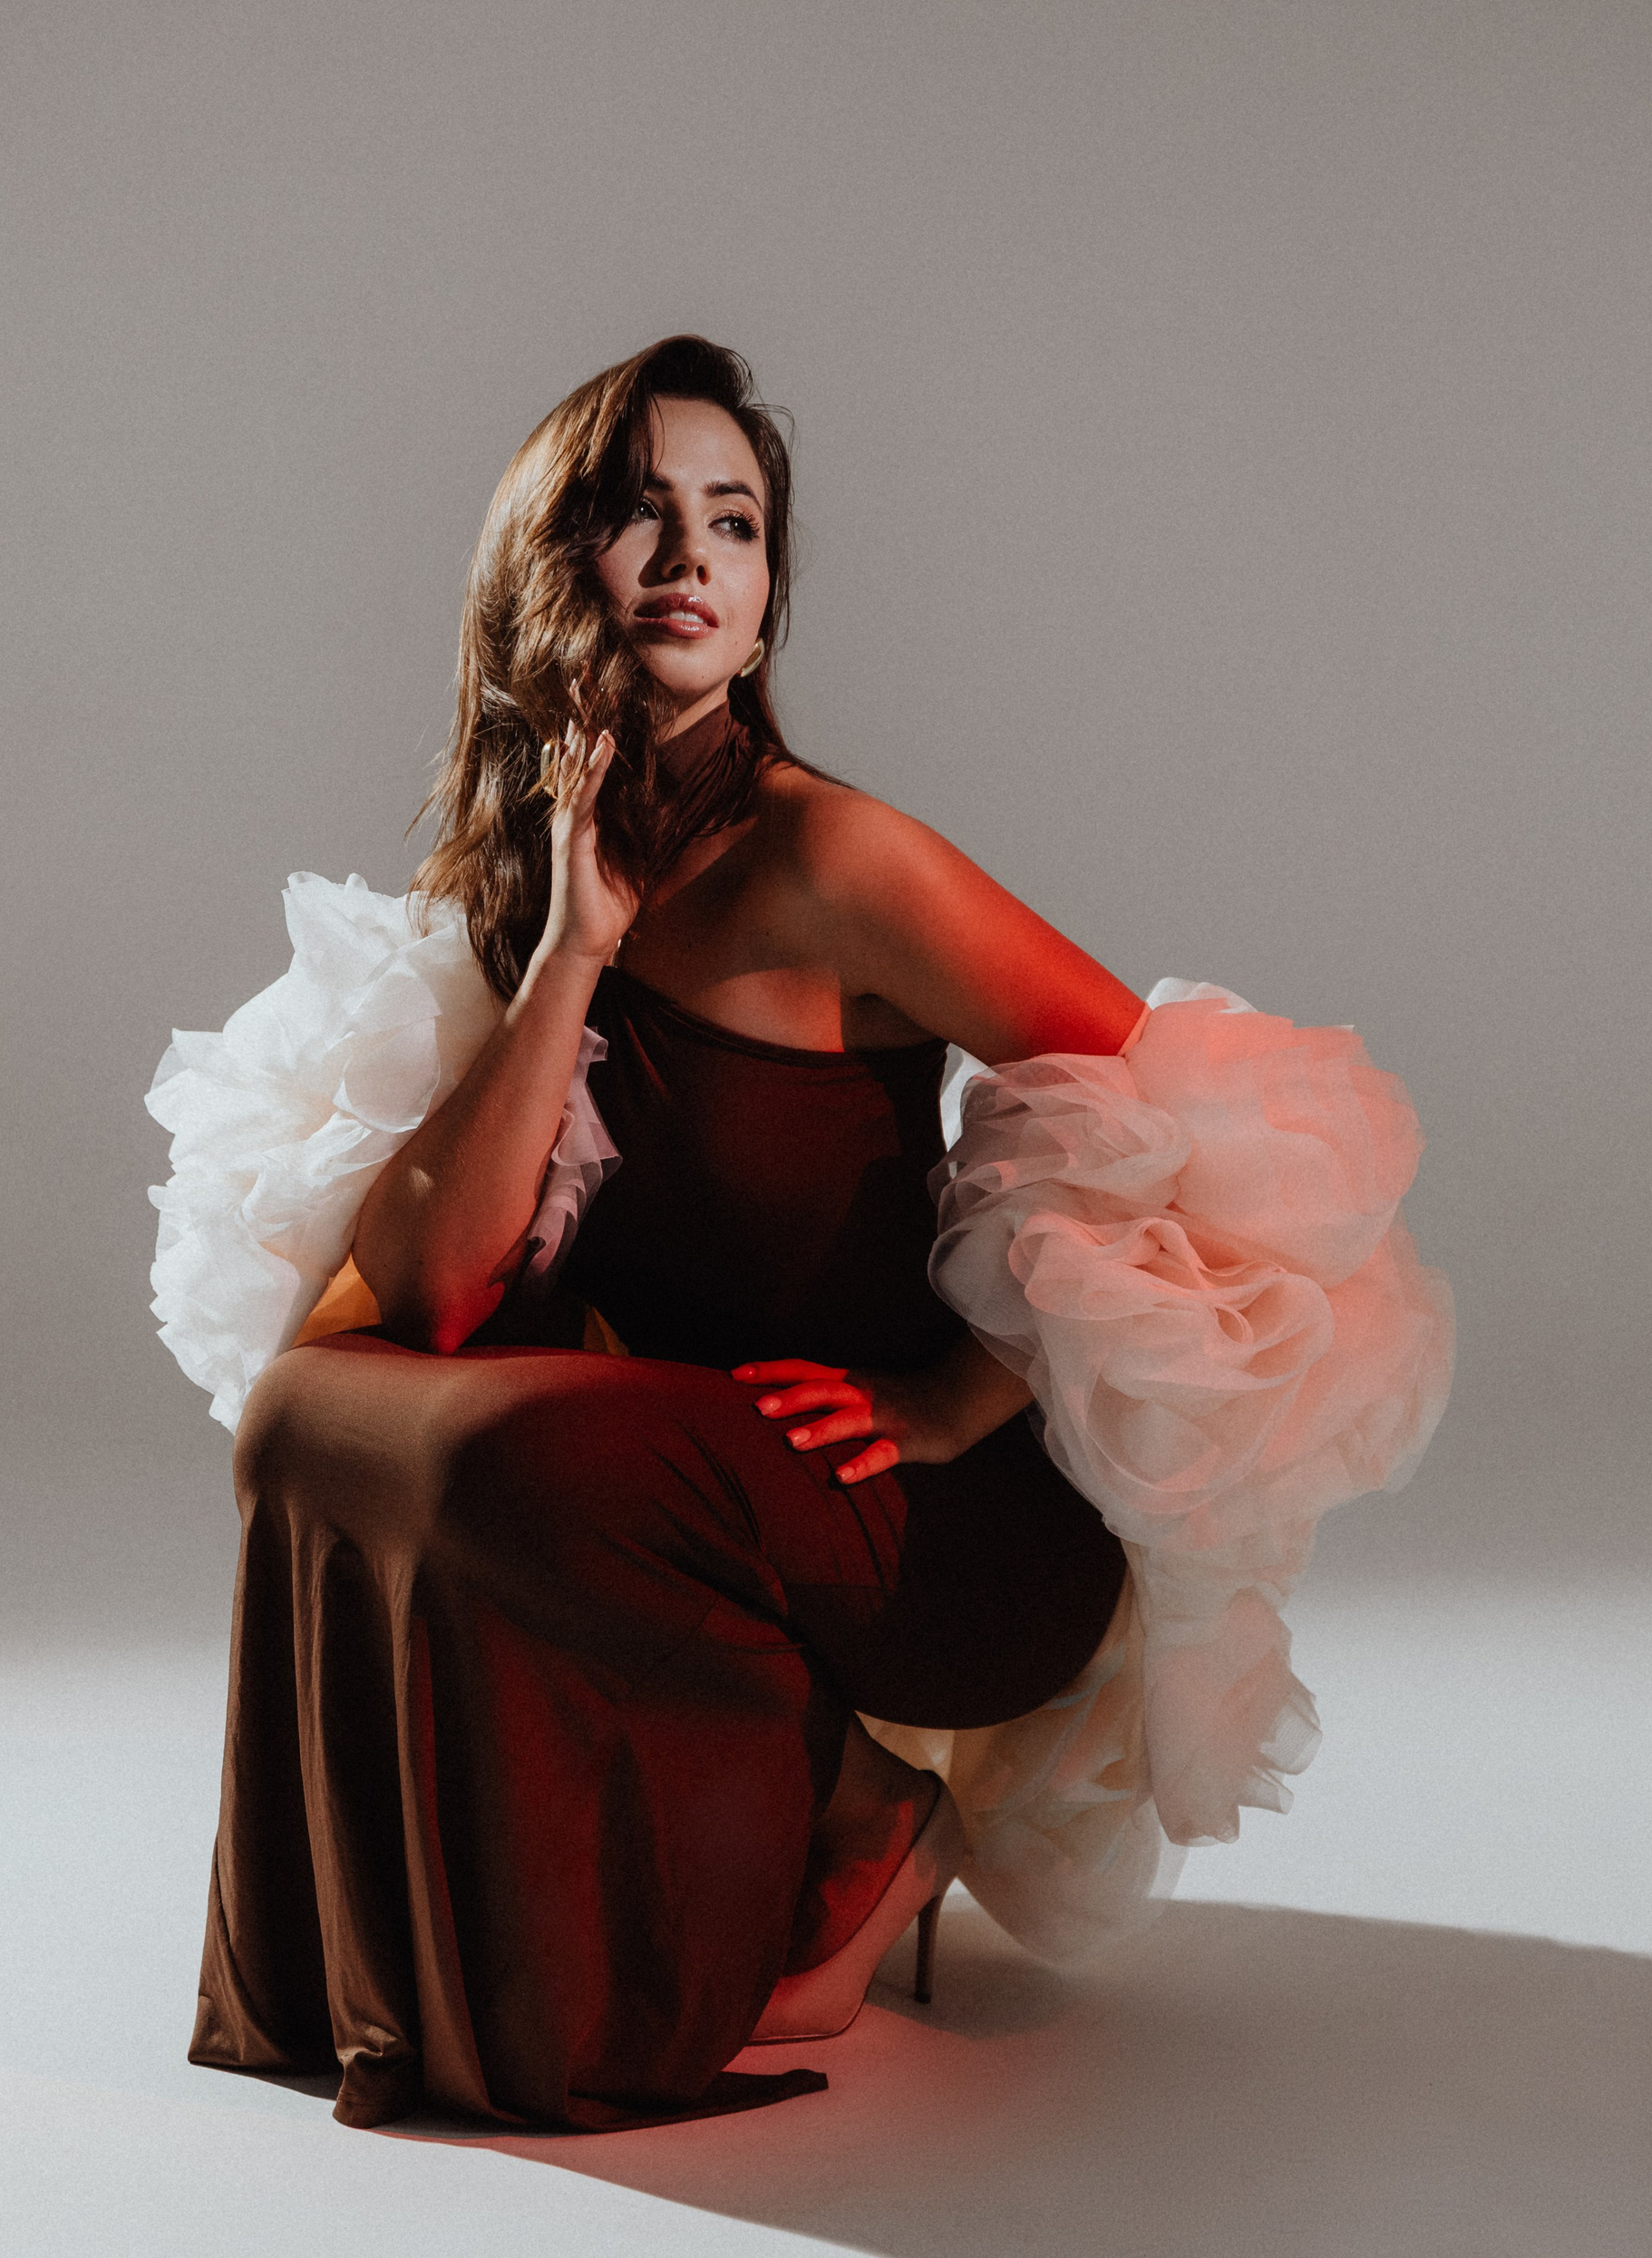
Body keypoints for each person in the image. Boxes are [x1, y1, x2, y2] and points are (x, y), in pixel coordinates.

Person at [163, 334, 1452, 2136]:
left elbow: (1220, 1127)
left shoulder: (837, 862)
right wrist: (573, 953)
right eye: (640, 513)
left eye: (736, 522)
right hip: (688, 1471)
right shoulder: (541, 879)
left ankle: (857, 1813)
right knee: (315, 1407)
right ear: (551, 562)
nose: (690, 558)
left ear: (768, 596)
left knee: (502, 1452)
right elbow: (440, 1293)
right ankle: (403, 1981)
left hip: (936, 1526)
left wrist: (958, 1394)